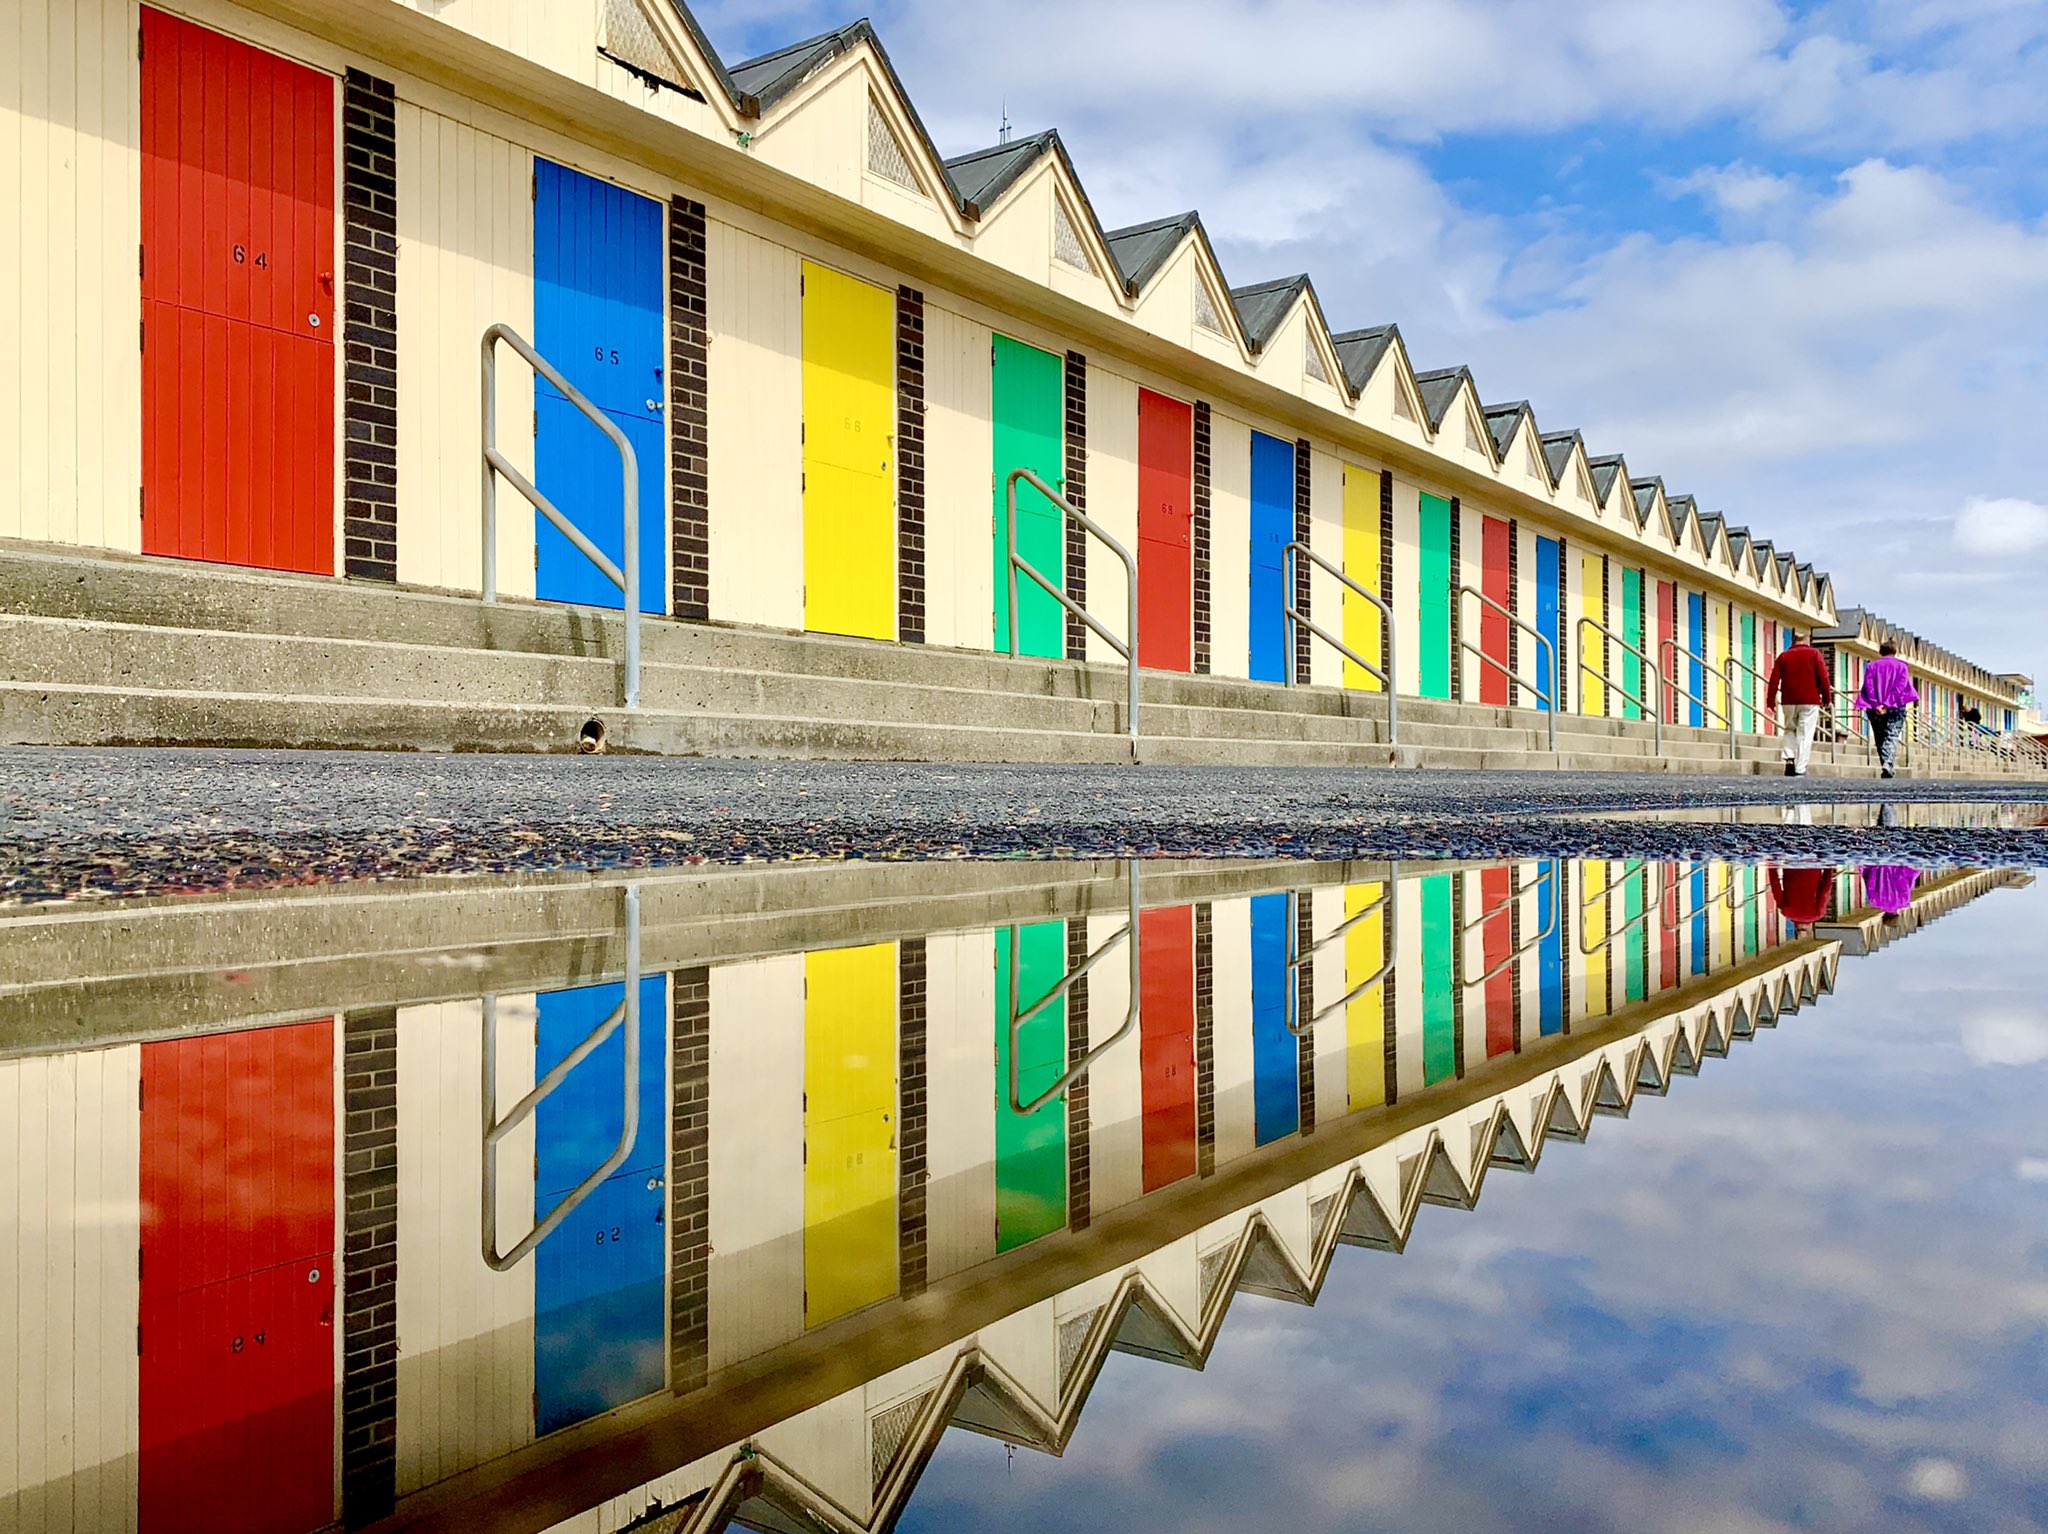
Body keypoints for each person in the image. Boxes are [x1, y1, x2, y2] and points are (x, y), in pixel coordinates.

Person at [1766, 629, 1834, 777]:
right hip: (1810, 700)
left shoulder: (1783, 656)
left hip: (1789, 701)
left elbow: (1774, 680)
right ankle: (1800, 768)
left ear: (1794, 641)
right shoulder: (1815, 654)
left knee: (1790, 729)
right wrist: (1827, 698)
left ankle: (1789, 759)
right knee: (1805, 733)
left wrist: (1770, 701)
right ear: (1807, 641)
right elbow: (1824, 677)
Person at [1854, 639, 1919, 779]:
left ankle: (1886, 764)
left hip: (1874, 707)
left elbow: (1869, 686)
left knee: (1879, 737)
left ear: (1880, 652)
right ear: (1895, 651)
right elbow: (1899, 687)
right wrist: (1887, 704)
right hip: (1896, 706)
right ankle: (1888, 764)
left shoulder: (1871, 666)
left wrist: (1877, 704)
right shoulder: (1902, 666)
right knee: (1891, 735)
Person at [1768, 865, 1835, 928]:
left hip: (1813, 866)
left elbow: (1825, 890)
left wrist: (1828, 868)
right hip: (1791, 866)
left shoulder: (1818, 913)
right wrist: (1771, 867)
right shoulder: (1786, 912)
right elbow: (1775, 886)